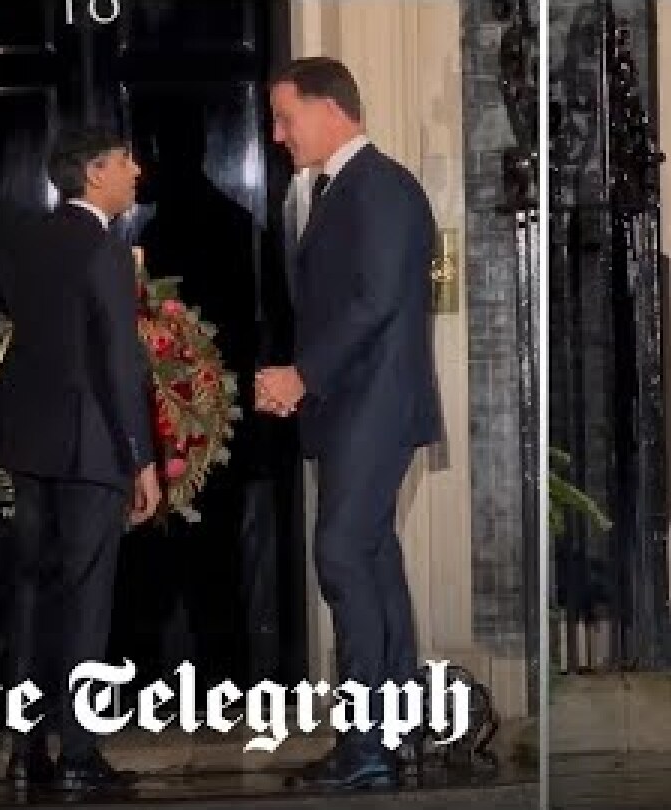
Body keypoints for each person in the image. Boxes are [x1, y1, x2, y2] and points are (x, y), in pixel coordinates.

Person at [0, 126, 161, 793]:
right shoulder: (107, 253)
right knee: (86, 598)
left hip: (28, 441)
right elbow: (119, 365)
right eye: (124, 161)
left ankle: (26, 748)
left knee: (31, 590)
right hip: (89, 447)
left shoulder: (26, 236)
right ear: (94, 173)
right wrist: (141, 461)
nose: (136, 171)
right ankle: (81, 759)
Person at [256, 57, 443, 789]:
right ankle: (389, 734)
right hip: (345, 406)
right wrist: (299, 383)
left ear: (331, 109)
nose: (276, 134)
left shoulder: (384, 187)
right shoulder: (328, 189)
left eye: (285, 117)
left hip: (376, 407)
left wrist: (303, 376)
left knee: (339, 554)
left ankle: (367, 744)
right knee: (368, 557)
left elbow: (375, 302)